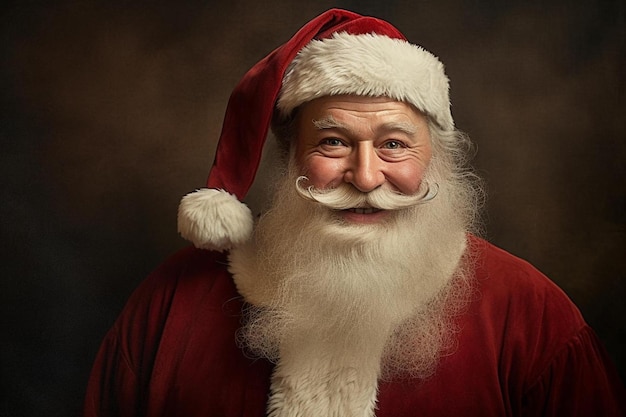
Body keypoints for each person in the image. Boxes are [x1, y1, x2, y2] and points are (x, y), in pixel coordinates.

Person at [84, 8, 625, 417]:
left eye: (394, 144)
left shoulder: (532, 315)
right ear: (290, 156)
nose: (365, 178)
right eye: (333, 143)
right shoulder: (173, 301)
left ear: (436, 157)